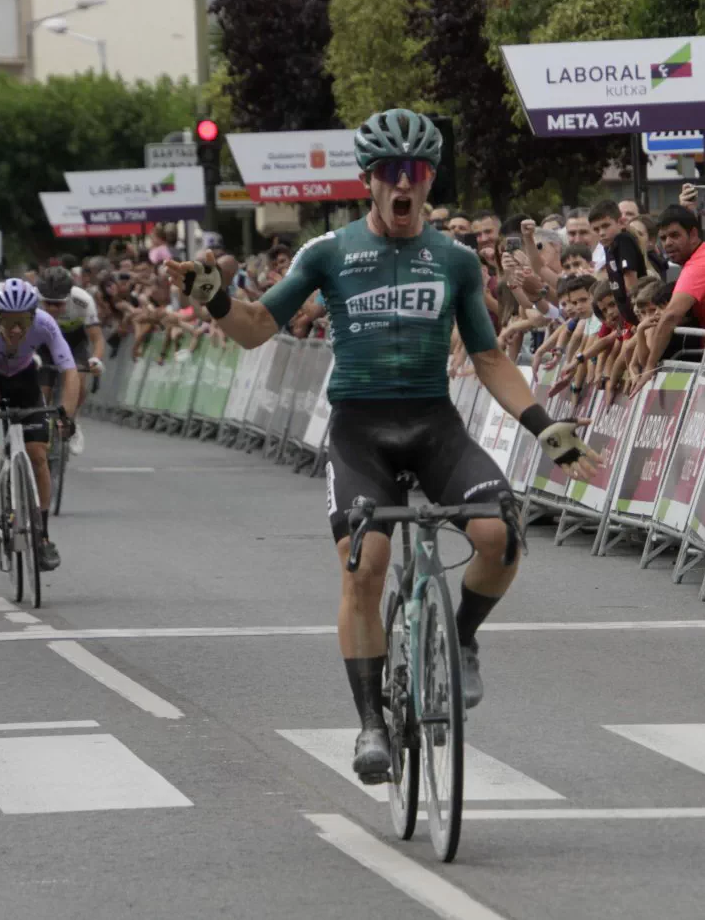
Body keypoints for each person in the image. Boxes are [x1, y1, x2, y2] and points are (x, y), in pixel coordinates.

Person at [164, 108, 595, 784]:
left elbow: (487, 357)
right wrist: (217, 300)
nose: (404, 183)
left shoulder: (453, 259)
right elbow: (253, 329)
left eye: (416, 172)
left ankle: (462, 637)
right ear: (369, 180)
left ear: (427, 180)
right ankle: (371, 723)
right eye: (390, 172)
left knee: (501, 535)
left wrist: (545, 425)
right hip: (360, 428)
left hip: (433, 425)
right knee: (366, 564)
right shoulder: (327, 253)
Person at [0, 279, 80, 573]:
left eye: (22, 322)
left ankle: (43, 535)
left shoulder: (46, 323)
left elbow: (70, 372)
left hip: (24, 377)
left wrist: (67, 415)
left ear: (32, 317)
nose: (16, 330)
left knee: (38, 455)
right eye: (9, 322)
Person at [637, 204, 705, 380]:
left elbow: (671, 316)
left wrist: (649, 368)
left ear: (693, 234)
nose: (668, 243)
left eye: (674, 235)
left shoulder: (700, 264)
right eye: (663, 238)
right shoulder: (704, 257)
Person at [37, 266, 106, 455]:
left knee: (79, 380)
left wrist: (95, 360)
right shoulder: (32, 299)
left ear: (68, 297)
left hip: (73, 342)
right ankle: (39, 426)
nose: (52, 308)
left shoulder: (83, 300)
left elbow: (97, 338)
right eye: (47, 303)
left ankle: (72, 420)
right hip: (44, 343)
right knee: (42, 391)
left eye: (58, 304)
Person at [589, 200, 647, 322]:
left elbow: (631, 282)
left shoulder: (623, 240)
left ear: (620, 223)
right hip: (626, 316)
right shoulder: (608, 246)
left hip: (638, 313)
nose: (601, 233)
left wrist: (637, 312)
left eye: (605, 226)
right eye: (596, 229)